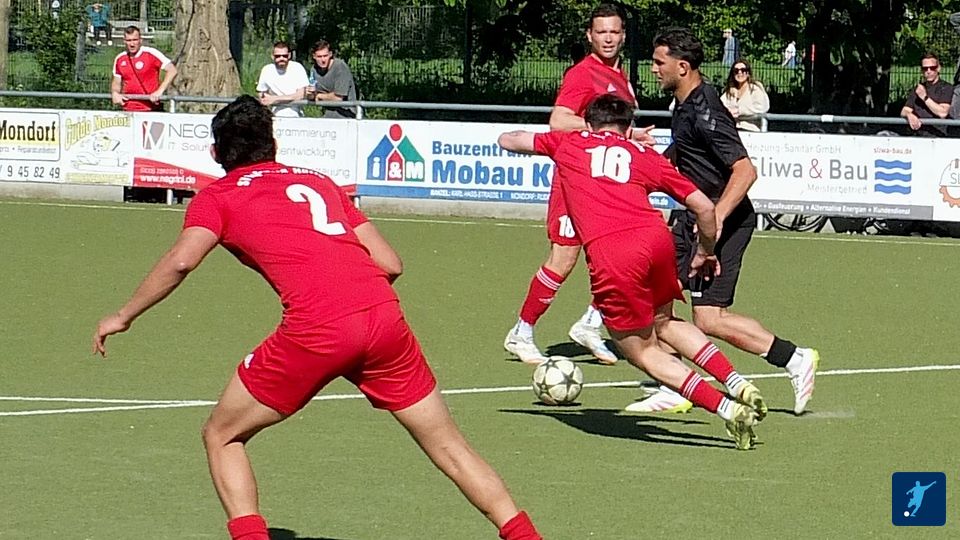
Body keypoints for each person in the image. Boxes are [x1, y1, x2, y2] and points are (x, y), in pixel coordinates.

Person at [91, 96, 542, 540]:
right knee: (450, 447)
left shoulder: (218, 197)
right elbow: (390, 263)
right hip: (384, 319)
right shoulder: (320, 181)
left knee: (221, 435)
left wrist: (123, 316)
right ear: (273, 145)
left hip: (318, 330)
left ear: (215, 153)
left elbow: (181, 261)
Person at [498, 94, 766, 450]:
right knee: (665, 322)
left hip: (613, 252)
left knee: (642, 351)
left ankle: (727, 409)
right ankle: (736, 382)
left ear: (590, 124)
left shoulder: (569, 143)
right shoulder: (644, 155)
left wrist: (560, 134)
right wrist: (704, 251)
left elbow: (509, 140)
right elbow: (703, 207)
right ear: (627, 129)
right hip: (656, 241)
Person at [630, 27, 818, 415]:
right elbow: (683, 152)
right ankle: (675, 384)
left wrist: (713, 220)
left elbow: (745, 171)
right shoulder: (684, 105)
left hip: (724, 222)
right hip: (692, 218)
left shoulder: (706, 110)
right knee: (658, 300)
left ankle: (795, 358)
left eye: (659, 62)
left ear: (682, 67)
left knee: (708, 318)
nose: (653, 69)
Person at [503, 3, 649, 367]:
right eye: (601, 32)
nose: (608, 38)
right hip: (576, 183)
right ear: (589, 35)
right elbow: (559, 121)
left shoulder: (621, 78)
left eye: (614, 31)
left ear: (623, 35)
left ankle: (589, 324)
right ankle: (522, 332)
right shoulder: (583, 74)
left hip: (607, 184)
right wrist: (604, 130)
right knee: (564, 258)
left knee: (622, 254)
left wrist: (632, 138)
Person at [111, 26, 177, 112]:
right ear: (124, 41)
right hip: (128, 108)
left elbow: (172, 70)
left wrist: (160, 91)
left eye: (135, 40)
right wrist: (115, 93)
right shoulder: (120, 58)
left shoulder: (150, 53)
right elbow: (116, 82)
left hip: (151, 108)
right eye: (129, 40)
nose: (132, 44)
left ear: (140, 40)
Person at [900, 53, 952, 137]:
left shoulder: (946, 88)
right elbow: (904, 110)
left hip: (937, 136)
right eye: (925, 68)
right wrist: (909, 115)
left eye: (932, 68)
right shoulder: (918, 89)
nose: (928, 71)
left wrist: (925, 97)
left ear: (938, 68)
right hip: (917, 135)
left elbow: (943, 113)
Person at [256, 41, 310, 118]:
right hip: (274, 114)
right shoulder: (267, 70)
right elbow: (261, 94)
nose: (281, 58)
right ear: (272, 56)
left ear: (289, 55)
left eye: (284, 56)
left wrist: (274, 99)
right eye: (278, 56)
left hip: (295, 113)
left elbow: (300, 95)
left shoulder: (297, 68)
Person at [307, 40, 359, 119]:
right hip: (326, 116)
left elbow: (338, 98)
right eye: (319, 57)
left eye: (325, 56)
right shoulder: (314, 70)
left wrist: (319, 96)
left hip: (346, 116)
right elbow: (311, 97)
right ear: (314, 56)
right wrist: (310, 94)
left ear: (330, 54)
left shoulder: (340, 67)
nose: (323, 60)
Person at [720, 59, 770, 132]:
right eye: (736, 71)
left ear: (748, 73)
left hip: (750, 129)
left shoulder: (755, 89)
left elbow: (763, 107)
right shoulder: (730, 91)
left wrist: (739, 111)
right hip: (731, 129)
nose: (740, 73)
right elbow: (720, 105)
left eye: (743, 70)